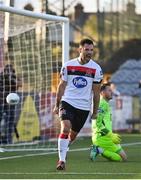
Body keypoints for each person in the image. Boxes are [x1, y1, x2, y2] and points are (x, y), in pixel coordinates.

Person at [53, 38, 103, 170]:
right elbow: (61, 86)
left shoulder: (96, 69)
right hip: (67, 102)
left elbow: (97, 93)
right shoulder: (68, 65)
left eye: (91, 50)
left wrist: (95, 111)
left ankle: (64, 148)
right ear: (79, 50)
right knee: (65, 128)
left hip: (84, 107)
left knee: (73, 136)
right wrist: (57, 104)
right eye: (87, 50)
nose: (89, 52)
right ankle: (62, 160)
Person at [90, 83, 127, 162]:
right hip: (102, 137)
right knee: (121, 158)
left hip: (107, 136)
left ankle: (99, 150)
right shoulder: (102, 104)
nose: (111, 92)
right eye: (109, 90)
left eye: (111, 90)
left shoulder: (105, 104)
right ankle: (98, 149)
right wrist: (110, 135)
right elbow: (98, 124)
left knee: (122, 158)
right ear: (102, 93)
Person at [0, 64, 21, 144]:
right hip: (1, 102)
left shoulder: (13, 77)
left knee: (10, 121)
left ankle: (9, 140)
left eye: (11, 70)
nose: (9, 72)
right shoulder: (1, 77)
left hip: (11, 102)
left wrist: (14, 79)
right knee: (2, 120)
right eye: (7, 70)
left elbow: (20, 84)